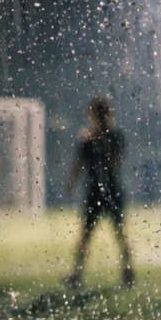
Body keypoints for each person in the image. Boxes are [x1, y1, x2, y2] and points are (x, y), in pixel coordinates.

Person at [65, 96, 135, 288]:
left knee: (120, 234)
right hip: (95, 190)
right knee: (86, 235)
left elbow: (115, 163)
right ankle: (76, 274)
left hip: (111, 190)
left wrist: (100, 143)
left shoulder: (115, 136)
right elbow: (79, 163)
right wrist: (72, 181)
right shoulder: (87, 138)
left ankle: (128, 273)